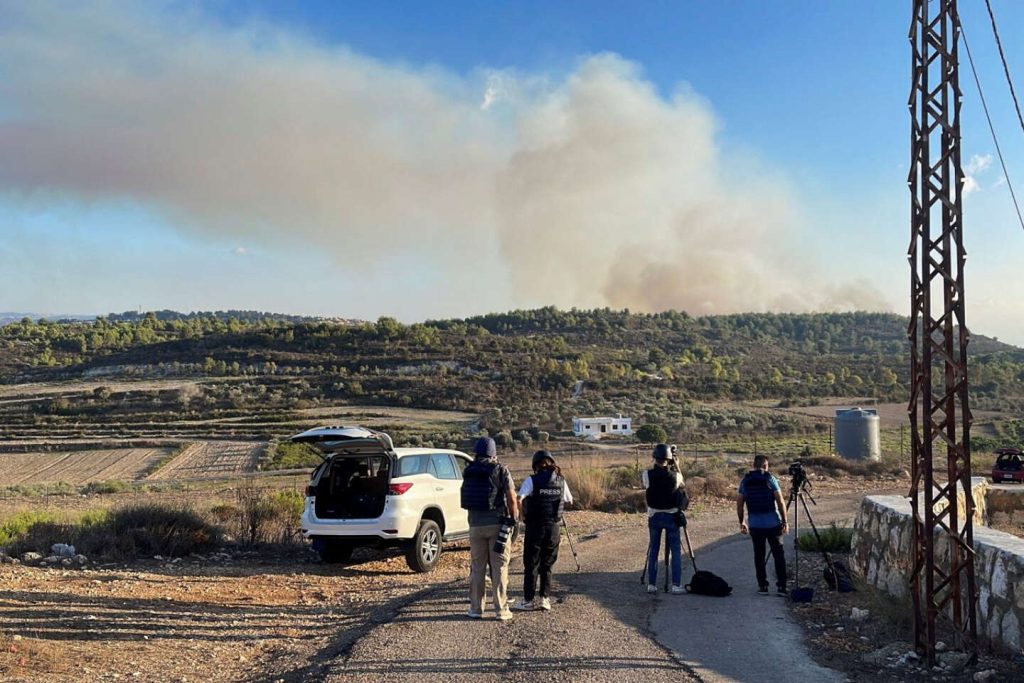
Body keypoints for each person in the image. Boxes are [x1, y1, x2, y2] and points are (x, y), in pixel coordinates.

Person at [460, 436, 519, 620]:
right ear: (493, 453)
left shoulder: (468, 471)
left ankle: (475, 609)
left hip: (475, 526)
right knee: (499, 566)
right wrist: (514, 519)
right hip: (497, 524)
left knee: (477, 567)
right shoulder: (501, 470)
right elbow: (511, 498)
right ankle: (501, 609)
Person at [513, 450, 574, 612]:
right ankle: (544, 599)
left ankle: (527, 600)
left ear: (535, 465)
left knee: (531, 564)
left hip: (535, 527)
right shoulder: (561, 480)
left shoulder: (532, 480)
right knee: (547, 565)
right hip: (553, 527)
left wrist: (522, 516)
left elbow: (519, 498)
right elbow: (569, 500)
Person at [737, 454, 789, 595]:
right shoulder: (770, 479)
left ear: (754, 465)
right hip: (773, 524)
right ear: (766, 466)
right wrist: (785, 521)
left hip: (755, 525)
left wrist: (742, 522)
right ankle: (781, 587)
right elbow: (780, 502)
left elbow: (740, 504)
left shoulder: (745, 481)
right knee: (779, 555)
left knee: (759, 555)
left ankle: (763, 586)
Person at [642, 443, 686, 594]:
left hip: (654, 516)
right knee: (675, 551)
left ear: (655, 457)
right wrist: (677, 466)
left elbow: (648, 486)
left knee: (654, 549)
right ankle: (676, 585)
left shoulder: (646, 474)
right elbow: (682, 485)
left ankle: (652, 585)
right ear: (669, 459)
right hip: (672, 516)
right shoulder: (676, 476)